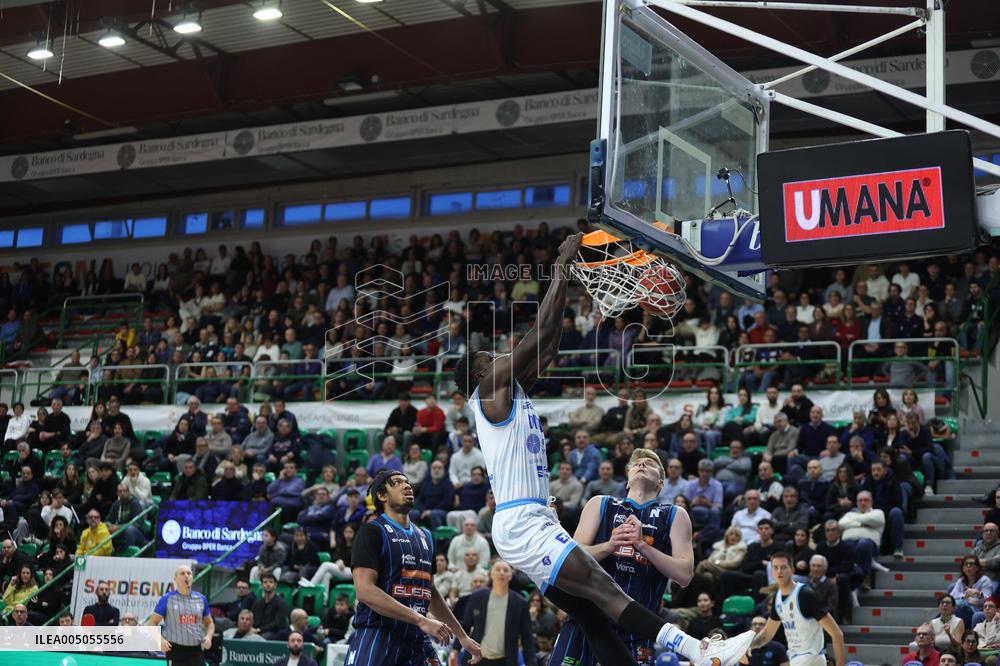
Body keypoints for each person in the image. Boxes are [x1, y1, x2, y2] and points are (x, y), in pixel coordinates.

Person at [455, 233, 753, 666]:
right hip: (522, 521)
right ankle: (700, 649)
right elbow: (538, 333)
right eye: (491, 356)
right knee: (603, 590)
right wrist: (560, 265)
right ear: (481, 373)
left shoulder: (511, 393)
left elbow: (549, 341)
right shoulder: (490, 390)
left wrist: (571, 276)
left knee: (593, 613)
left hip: (528, 519)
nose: (500, 356)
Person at [549, 449, 694, 666]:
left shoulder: (675, 514)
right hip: (586, 620)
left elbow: (684, 575)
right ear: (627, 481)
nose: (642, 465)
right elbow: (571, 558)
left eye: (650, 464)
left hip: (636, 627)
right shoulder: (600, 503)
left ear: (660, 483)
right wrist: (609, 546)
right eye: (636, 464)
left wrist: (642, 546)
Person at [346, 469, 481, 665]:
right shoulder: (371, 532)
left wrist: (462, 636)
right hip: (379, 633)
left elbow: (431, 592)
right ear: (382, 496)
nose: (406, 485)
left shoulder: (426, 536)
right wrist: (422, 620)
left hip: (416, 637)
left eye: (407, 482)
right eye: (396, 483)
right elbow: (365, 591)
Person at [751, 551, 845, 665]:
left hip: (811, 658)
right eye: (775, 567)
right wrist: (747, 646)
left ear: (792, 570)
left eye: (783, 567)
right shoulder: (777, 597)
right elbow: (767, 634)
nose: (779, 571)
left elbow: (837, 634)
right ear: (771, 572)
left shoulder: (805, 594)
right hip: (796, 657)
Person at [452, 559, 534, 666]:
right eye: (498, 569)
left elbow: (527, 638)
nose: (501, 573)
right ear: (491, 574)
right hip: (476, 659)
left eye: (505, 570)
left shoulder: (520, 603)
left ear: (510, 576)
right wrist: (455, 650)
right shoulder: (477, 597)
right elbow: (466, 625)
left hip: (504, 661)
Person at [148, 564, 214, 666]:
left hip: (196, 651)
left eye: (189, 573)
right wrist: (160, 640)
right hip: (175, 651)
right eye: (182, 573)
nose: (186, 576)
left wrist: (209, 637)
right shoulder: (167, 599)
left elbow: (209, 623)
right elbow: (151, 623)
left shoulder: (201, 599)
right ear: (175, 578)